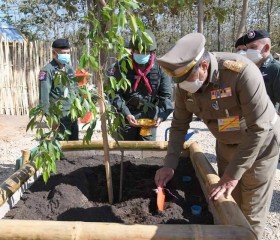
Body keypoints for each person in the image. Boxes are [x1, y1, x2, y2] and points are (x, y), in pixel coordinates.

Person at [154, 32, 280, 239]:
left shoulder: (240, 73)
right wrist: (169, 164)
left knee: (250, 212)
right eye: (180, 82)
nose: (184, 87)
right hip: (226, 143)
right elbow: (178, 125)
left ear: (203, 66)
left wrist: (231, 175)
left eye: (187, 79)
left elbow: (259, 128)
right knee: (227, 203)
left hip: (260, 146)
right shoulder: (186, 82)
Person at [108, 30, 174, 141]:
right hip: (127, 115)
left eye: (146, 52)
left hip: (149, 117)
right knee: (126, 150)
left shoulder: (160, 68)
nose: (142, 55)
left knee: (147, 151)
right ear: (132, 50)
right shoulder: (122, 66)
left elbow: (166, 96)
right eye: (138, 51)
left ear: (152, 52)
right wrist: (126, 113)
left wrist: (161, 116)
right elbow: (114, 94)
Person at [38, 38, 79, 140]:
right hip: (59, 114)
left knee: (74, 143)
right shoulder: (47, 70)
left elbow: (75, 88)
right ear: (54, 53)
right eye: (63, 53)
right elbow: (44, 95)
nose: (66, 55)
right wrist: (50, 118)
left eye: (68, 53)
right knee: (61, 144)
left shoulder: (69, 68)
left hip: (72, 113)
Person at [244, 30, 280, 113]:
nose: (249, 52)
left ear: (266, 48)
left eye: (253, 47)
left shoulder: (275, 68)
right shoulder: (249, 68)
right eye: (247, 48)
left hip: (268, 122)